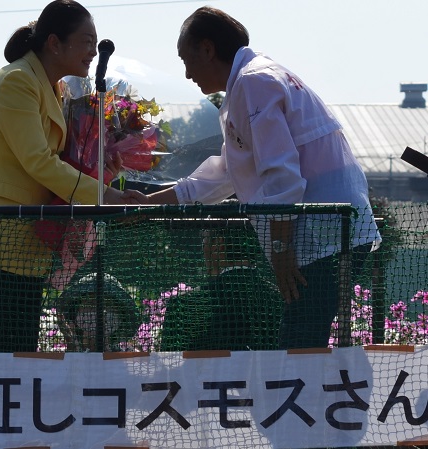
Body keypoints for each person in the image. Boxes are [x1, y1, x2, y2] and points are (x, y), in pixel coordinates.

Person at [123, 6, 381, 349]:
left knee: (300, 337)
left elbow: (282, 174)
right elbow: (226, 173)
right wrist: (148, 204)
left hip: (326, 230)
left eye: (186, 60)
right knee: (302, 335)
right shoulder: (252, 81)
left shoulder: (252, 81)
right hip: (332, 227)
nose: (187, 74)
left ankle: (311, 403)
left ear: (207, 48)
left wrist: (281, 248)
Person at [0, 0, 129, 353]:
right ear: (55, 43)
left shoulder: (57, 89)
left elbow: (63, 160)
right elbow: (39, 162)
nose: (92, 51)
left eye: (95, 42)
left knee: (18, 360)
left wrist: (107, 163)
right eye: (86, 41)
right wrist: (103, 194)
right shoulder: (17, 80)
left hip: (23, 249)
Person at [161, 225, 282, 352]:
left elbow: (168, 365)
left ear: (219, 244)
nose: (203, 248)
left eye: (205, 240)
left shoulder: (184, 306)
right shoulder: (280, 301)